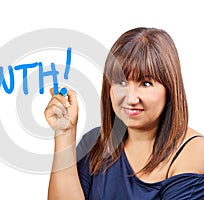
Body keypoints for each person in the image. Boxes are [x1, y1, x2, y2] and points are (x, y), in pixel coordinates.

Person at [44, 27, 204, 199]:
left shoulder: (193, 151)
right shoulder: (95, 142)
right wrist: (64, 134)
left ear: (170, 90)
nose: (131, 98)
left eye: (146, 83)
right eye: (121, 82)